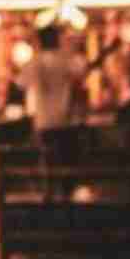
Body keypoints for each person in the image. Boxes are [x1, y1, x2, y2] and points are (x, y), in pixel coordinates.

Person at [20, 24, 86, 203]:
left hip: (43, 120)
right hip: (65, 118)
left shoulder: (34, 62)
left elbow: (21, 83)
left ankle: (48, 191)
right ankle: (66, 194)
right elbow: (82, 70)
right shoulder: (66, 60)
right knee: (66, 158)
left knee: (47, 158)